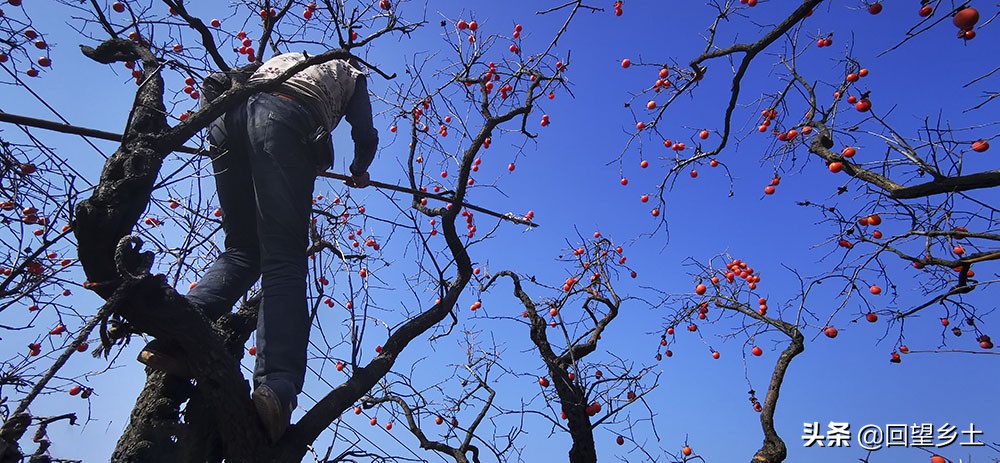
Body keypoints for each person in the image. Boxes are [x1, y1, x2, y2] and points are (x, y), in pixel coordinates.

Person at [137, 52, 378, 443]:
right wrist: (358, 170)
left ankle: (174, 336)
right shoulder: (350, 70)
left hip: (229, 118)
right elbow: (364, 132)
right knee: (284, 258)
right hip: (283, 119)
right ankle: (277, 387)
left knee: (244, 250)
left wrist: (213, 126)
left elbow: (216, 80)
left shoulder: (282, 59)